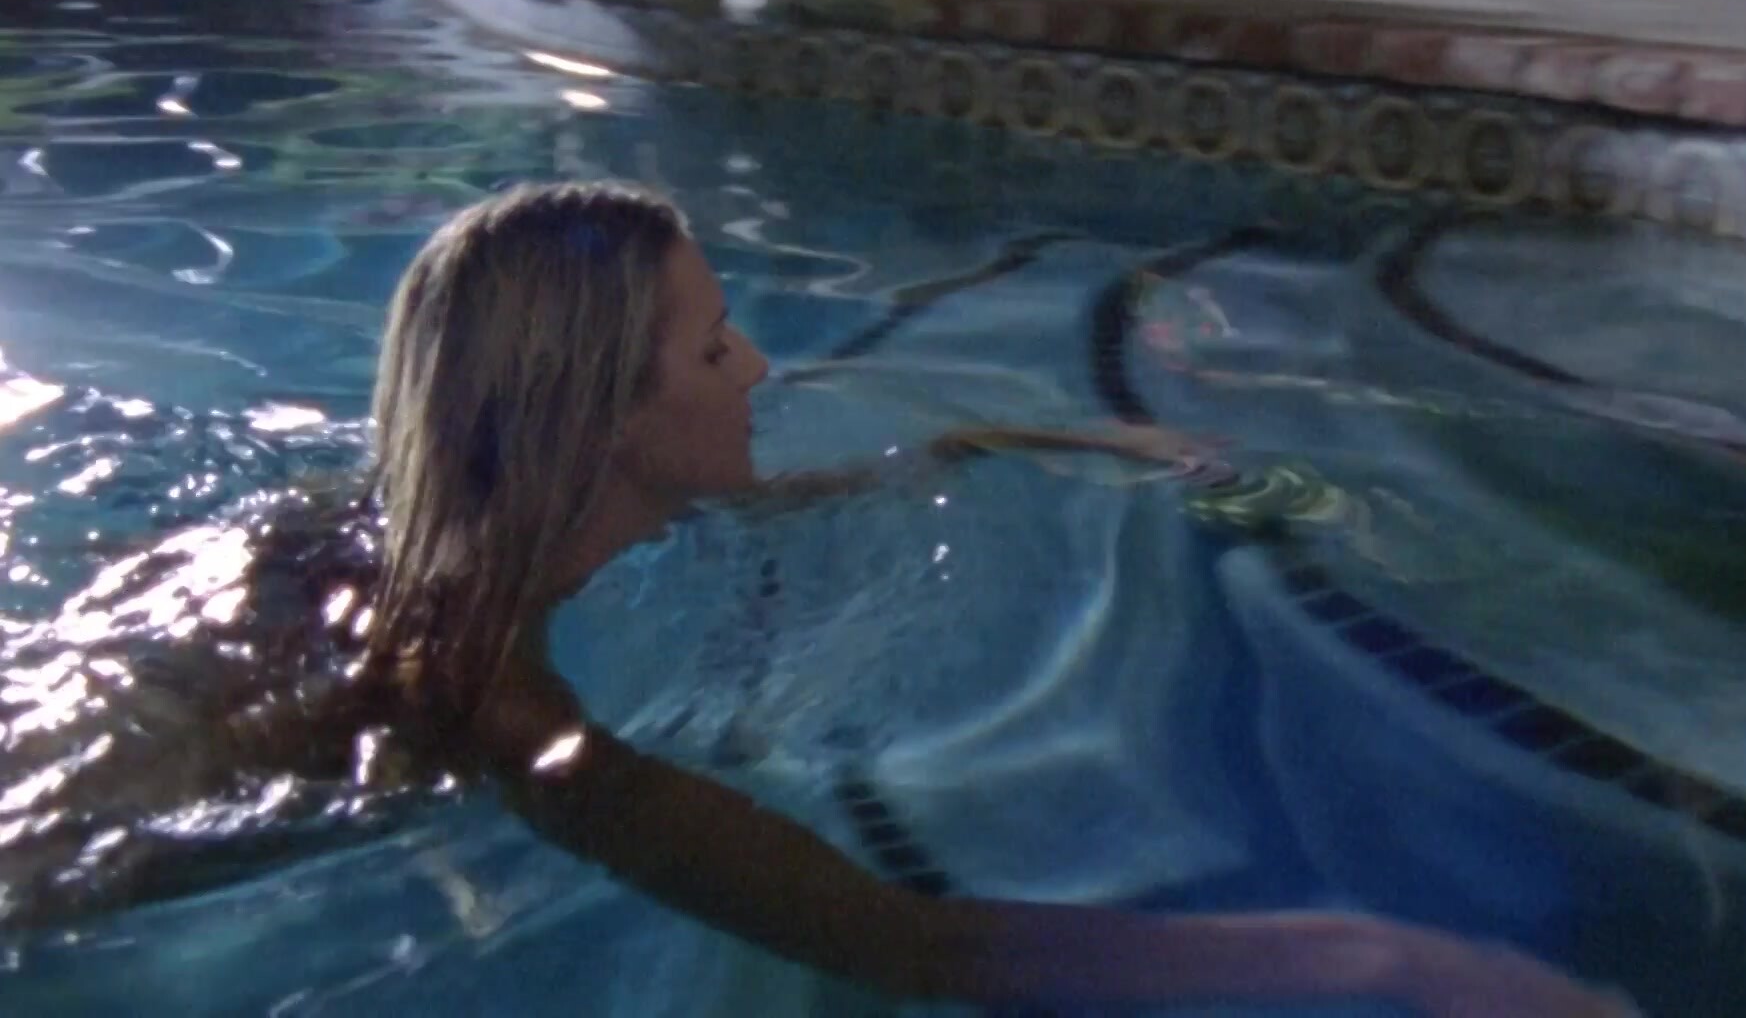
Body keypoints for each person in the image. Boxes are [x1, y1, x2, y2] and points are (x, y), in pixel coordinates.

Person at [0, 181, 1635, 1016]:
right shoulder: (488, 693)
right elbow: (904, 942)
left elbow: (767, 493)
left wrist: (1039, 441)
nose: (760, 368)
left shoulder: (413, 507)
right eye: (716, 347)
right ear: (601, 423)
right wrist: (1379, 958)